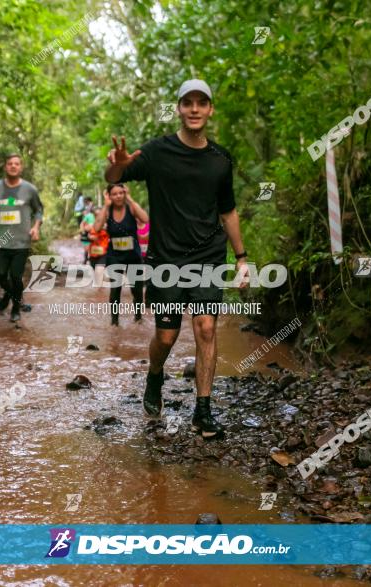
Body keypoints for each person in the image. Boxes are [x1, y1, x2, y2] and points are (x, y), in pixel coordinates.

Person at [104, 79, 249, 439]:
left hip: (208, 257)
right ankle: (155, 375)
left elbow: (228, 212)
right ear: (180, 109)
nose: (195, 109)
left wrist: (242, 258)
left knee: (206, 328)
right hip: (165, 260)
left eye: (202, 102)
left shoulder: (220, 160)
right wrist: (118, 168)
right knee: (166, 338)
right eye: (188, 103)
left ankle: (203, 409)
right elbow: (114, 177)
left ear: (210, 110)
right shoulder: (157, 152)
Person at [0, 153, 43, 323]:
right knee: (0, 274)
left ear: (21, 167)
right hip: (0, 241)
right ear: (5, 167)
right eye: (10, 163)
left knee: (16, 277)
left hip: (21, 241)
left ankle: (15, 309)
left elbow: (39, 210)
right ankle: (8, 298)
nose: (13, 166)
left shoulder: (30, 189)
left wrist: (35, 227)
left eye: (16, 163)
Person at [92, 183, 148, 326]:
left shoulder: (130, 208)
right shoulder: (108, 211)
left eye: (121, 193)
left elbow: (145, 219)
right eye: (114, 194)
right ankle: (114, 322)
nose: (118, 196)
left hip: (133, 256)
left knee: (136, 290)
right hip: (114, 256)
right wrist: (105, 206)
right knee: (115, 289)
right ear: (110, 196)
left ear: (124, 193)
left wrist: (130, 198)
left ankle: (138, 318)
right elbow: (97, 227)